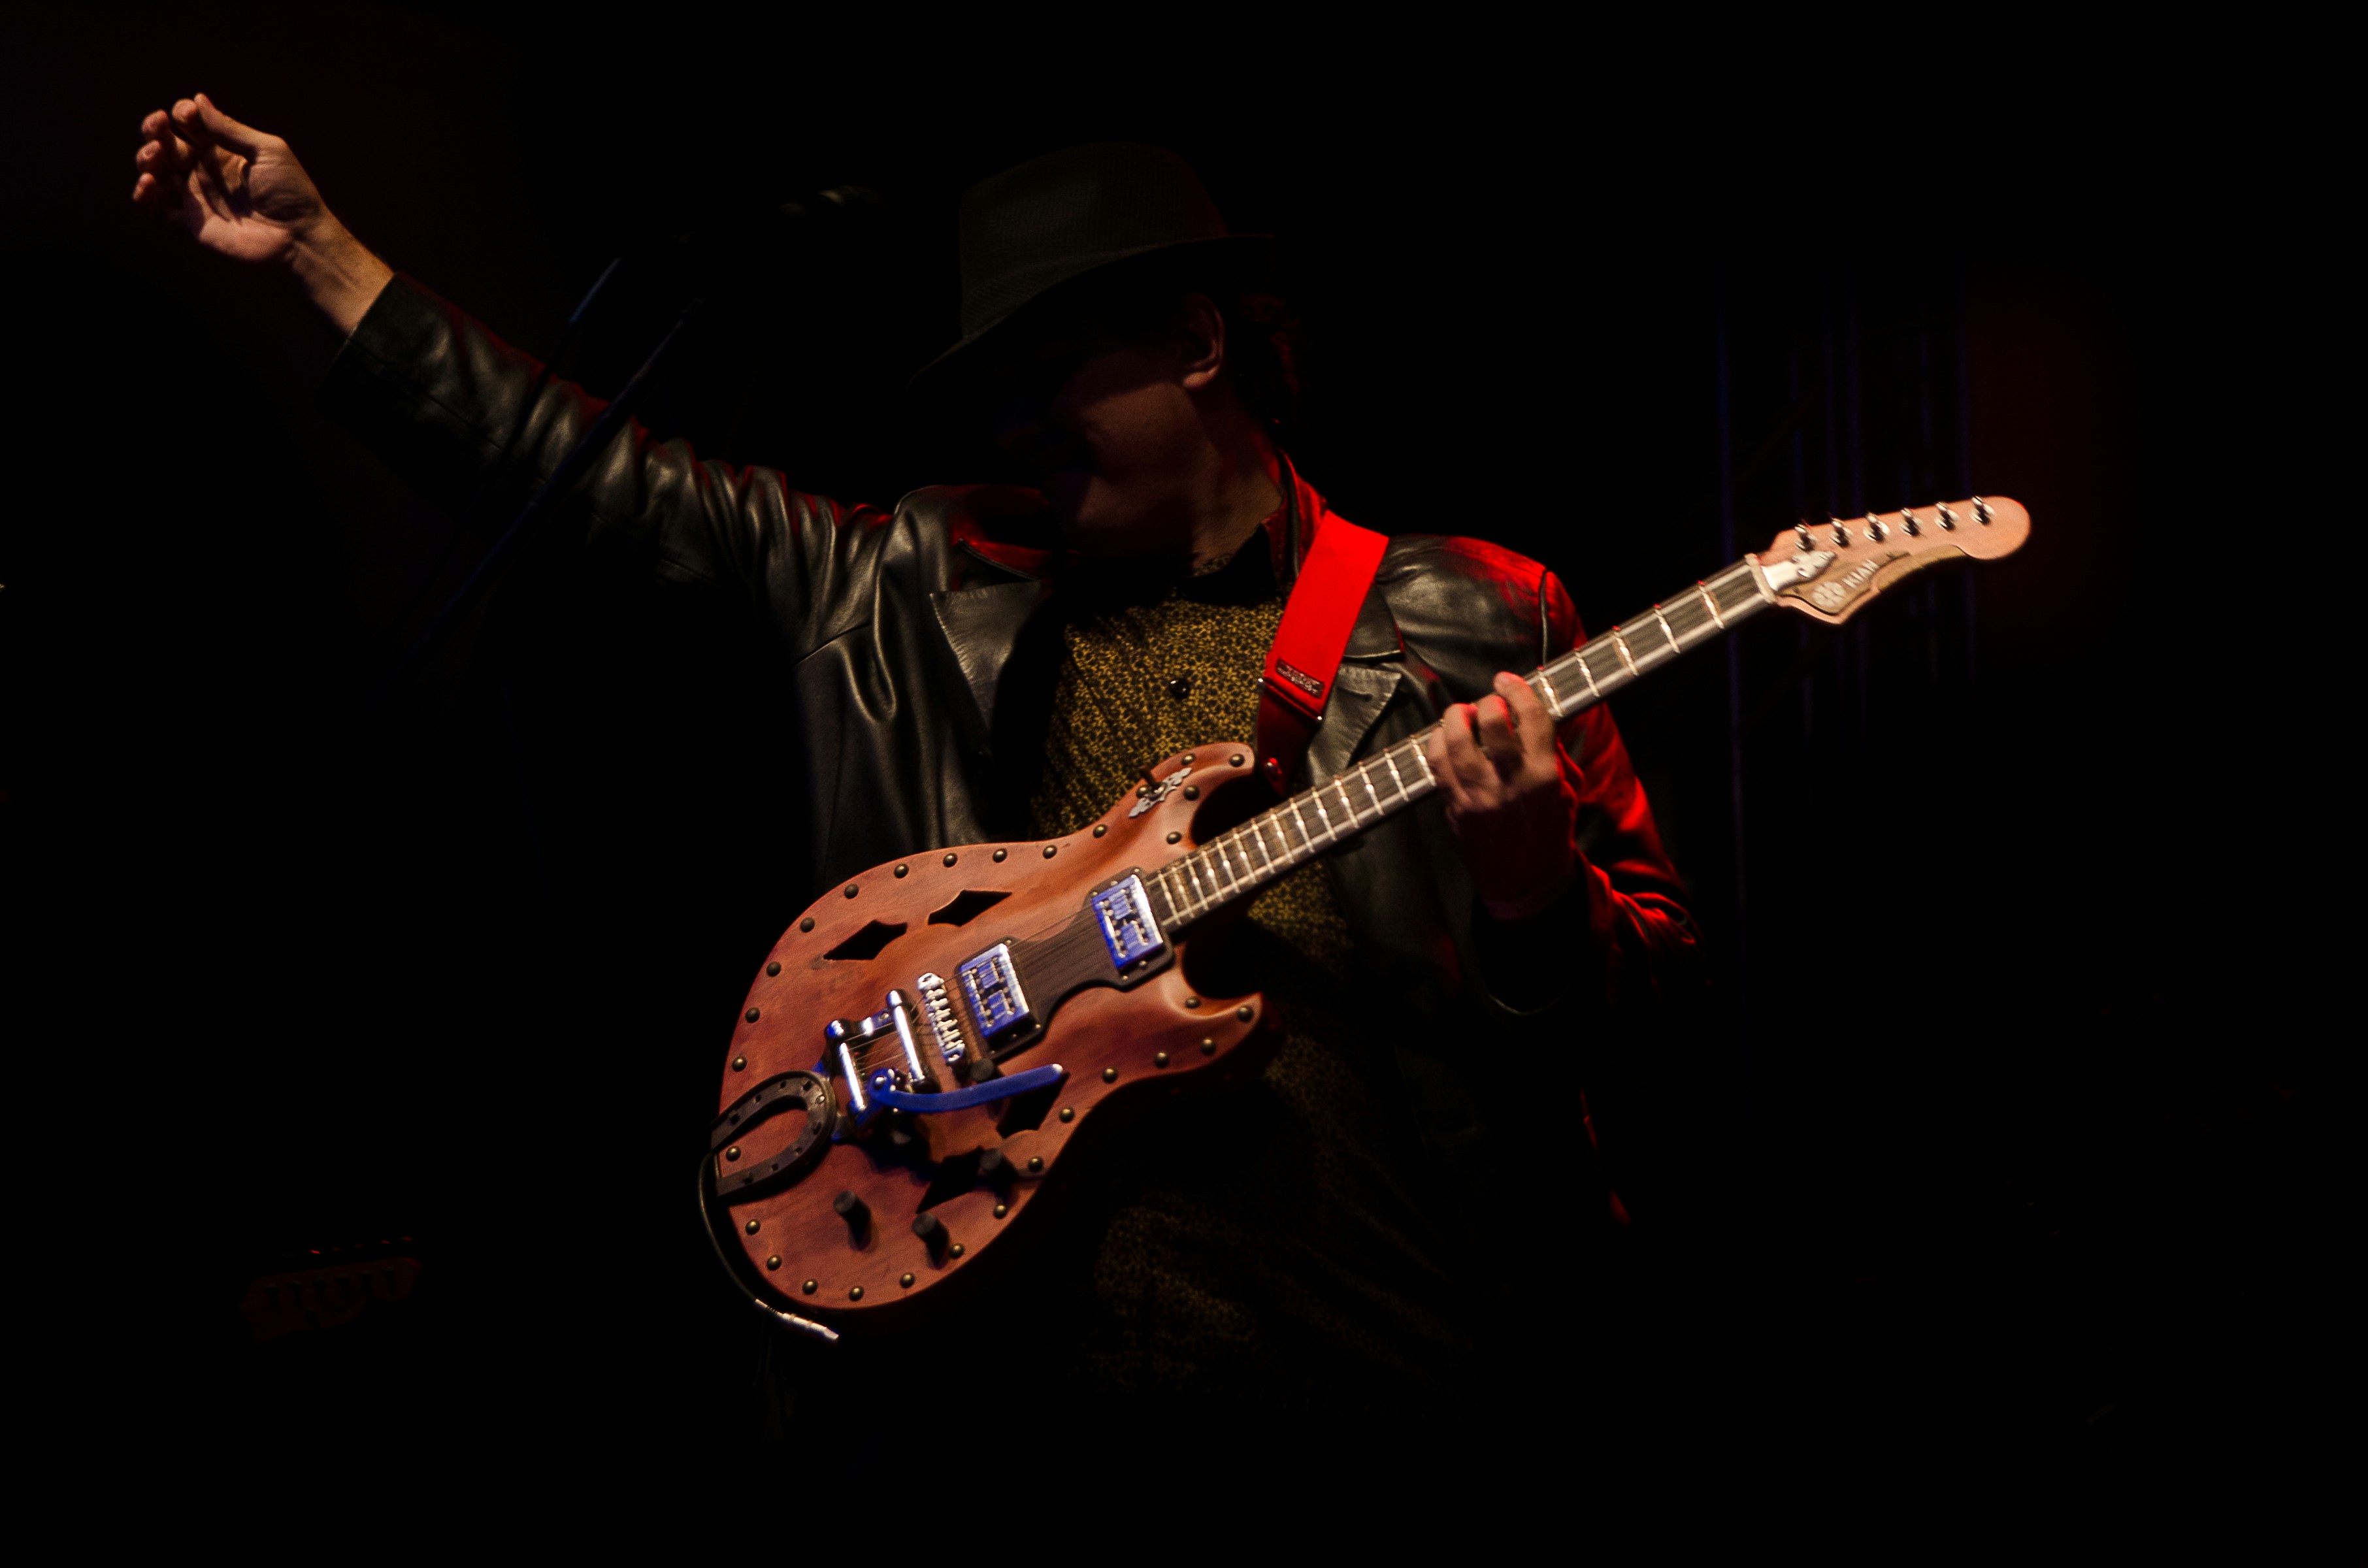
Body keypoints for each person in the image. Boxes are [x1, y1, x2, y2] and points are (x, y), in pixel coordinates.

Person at [133, 96, 1701, 1446]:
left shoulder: (1469, 617)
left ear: (1202, 343)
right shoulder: (918, 578)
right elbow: (608, 489)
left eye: (1050, 370)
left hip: (1360, 1350)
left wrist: (1531, 894)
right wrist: (327, 259)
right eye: (995, 390)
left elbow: (1658, 1028)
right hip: (981, 1370)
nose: (1018, 425)